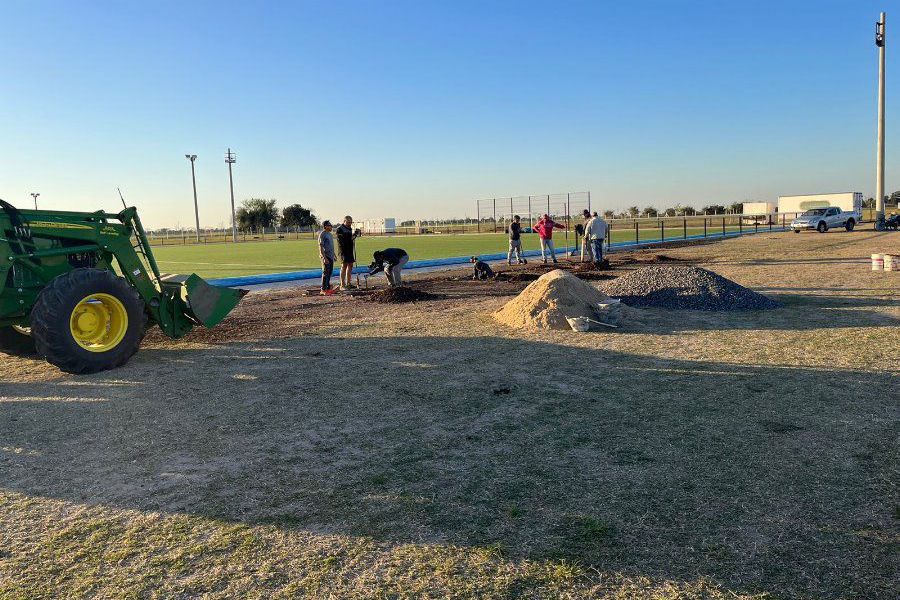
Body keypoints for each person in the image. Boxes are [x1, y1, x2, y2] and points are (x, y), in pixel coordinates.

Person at [335, 215, 361, 289]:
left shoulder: (349, 228)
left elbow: (351, 239)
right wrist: (352, 236)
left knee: (350, 265)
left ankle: (348, 283)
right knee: (344, 266)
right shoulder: (339, 229)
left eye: (350, 222)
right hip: (343, 250)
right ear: (344, 221)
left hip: (350, 250)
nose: (349, 224)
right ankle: (342, 285)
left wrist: (355, 234)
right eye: (348, 222)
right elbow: (343, 240)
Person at [317, 220, 337, 295]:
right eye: (329, 225)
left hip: (330, 256)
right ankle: (323, 289)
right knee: (325, 273)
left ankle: (328, 287)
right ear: (325, 226)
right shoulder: (322, 234)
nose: (331, 226)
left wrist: (334, 255)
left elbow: (330, 246)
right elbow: (321, 246)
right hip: (326, 256)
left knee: (330, 272)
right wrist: (324, 258)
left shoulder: (330, 234)